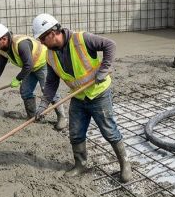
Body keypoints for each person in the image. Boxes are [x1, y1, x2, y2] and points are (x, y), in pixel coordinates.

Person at [30, 14, 132, 182]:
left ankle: (125, 164)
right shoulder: (50, 55)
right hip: (78, 96)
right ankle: (81, 164)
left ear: (52, 32)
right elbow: (50, 83)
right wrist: (43, 106)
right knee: (76, 133)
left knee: (109, 132)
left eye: (42, 38)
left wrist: (105, 68)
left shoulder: (81, 39)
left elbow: (110, 45)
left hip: (99, 93)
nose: (41, 42)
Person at [0, 23, 67, 130]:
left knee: (48, 90)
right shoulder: (3, 50)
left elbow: (28, 64)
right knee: (25, 90)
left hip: (44, 63)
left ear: (3, 38)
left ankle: (61, 117)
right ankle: (32, 117)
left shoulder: (20, 44)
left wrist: (18, 78)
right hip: (30, 68)